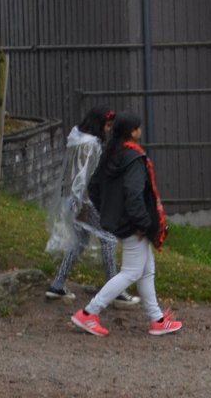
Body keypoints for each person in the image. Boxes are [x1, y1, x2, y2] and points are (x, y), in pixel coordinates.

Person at [70, 113, 181, 337]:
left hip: (121, 222)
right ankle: (89, 313)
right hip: (134, 225)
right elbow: (133, 194)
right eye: (138, 128)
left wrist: (109, 212)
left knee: (146, 270)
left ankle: (157, 319)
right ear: (133, 132)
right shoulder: (134, 159)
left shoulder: (112, 155)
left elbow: (94, 188)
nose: (141, 130)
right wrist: (143, 223)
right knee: (131, 272)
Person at [44, 106, 139, 308]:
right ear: (98, 125)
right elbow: (85, 176)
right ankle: (116, 289)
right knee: (109, 238)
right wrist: (88, 202)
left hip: (72, 199)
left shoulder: (77, 140)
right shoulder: (91, 145)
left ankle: (58, 285)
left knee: (79, 241)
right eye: (107, 126)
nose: (109, 130)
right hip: (85, 201)